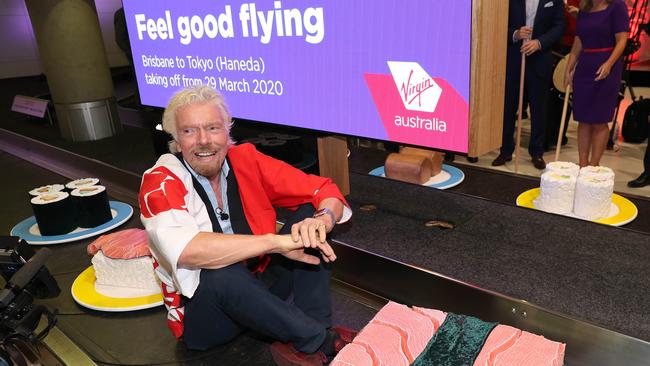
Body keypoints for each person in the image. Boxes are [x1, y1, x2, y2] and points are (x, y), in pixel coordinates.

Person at [138, 85, 354, 366]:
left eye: (213, 128)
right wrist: (276, 243)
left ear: (227, 134)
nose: (204, 140)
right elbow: (188, 251)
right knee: (221, 274)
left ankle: (311, 334)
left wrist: (323, 217)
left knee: (309, 219)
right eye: (190, 131)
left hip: (257, 288)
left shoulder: (245, 160)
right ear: (177, 141)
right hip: (206, 318)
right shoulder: (160, 181)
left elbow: (325, 190)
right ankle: (321, 341)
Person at [493, 0, 565, 170]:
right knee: (508, 107)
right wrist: (515, 34)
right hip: (513, 59)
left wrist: (540, 43)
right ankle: (505, 150)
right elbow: (499, 24)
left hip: (540, 60)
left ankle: (536, 152)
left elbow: (559, 26)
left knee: (538, 109)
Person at [564, 0, 629, 167]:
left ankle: (593, 166)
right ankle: (583, 164)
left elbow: (622, 40)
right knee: (583, 119)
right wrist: (568, 69)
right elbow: (577, 44)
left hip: (606, 68)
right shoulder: (584, 9)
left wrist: (609, 64)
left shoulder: (617, 6)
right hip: (584, 67)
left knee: (599, 120)